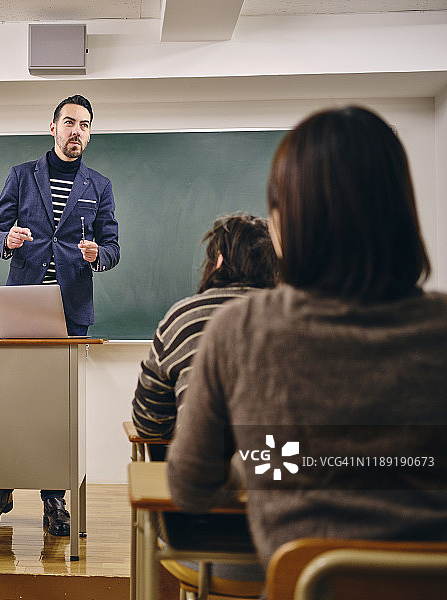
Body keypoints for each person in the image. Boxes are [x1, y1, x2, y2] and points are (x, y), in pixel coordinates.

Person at [167, 106, 447, 572]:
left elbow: (190, 486)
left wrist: (257, 465)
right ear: (403, 211)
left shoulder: (240, 331)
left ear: (282, 225)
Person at [0, 94, 120, 536]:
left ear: (90, 133)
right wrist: (8, 241)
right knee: (11, 404)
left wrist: (99, 254)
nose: (77, 131)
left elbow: (113, 248)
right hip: (23, 305)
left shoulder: (99, 185)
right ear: (53, 127)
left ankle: (53, 500)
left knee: (59, 410)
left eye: (85, 125)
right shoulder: (22, 177)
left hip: (71, 313)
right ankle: (1, 490)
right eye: (70, 122)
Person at [132, 213, 277, 461]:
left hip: (202, 478)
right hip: (285, 478)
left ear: (218, 261)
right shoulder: (299, 318)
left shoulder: (182, 319)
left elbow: (148, 421)